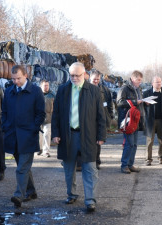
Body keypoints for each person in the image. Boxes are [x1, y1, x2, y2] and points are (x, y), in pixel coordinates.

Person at [52, 62, 106, 212]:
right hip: (68, 136)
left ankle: (90, 200)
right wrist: (55, 133)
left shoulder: (94, 91)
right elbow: (56, 114)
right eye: (72, 75)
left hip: (88, 136)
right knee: (69, 168)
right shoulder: (63, 90)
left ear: (84, 75)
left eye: (77, 75)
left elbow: (101, 116)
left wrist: (101, 135)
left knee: (90, 168)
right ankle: (71, 194)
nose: (74, 78)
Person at [2, 65, 45, 207]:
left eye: (18, 78)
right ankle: (31, 191)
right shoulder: (8, 91)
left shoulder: (36, 91)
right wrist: (5, 126)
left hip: (28, 136)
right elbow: (5, 112)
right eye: (13, 79)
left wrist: (34, 127)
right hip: (12, 136)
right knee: (24, 166)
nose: (15, 82)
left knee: (21, 168)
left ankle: (19, 195)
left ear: (26, 75)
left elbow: (41, 114)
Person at [117, 70, 145, 174]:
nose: (140, 82)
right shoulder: (124, 88)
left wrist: (144, 103)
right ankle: (124, 165)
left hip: (136, 119)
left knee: (134, 144)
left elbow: (139, 102)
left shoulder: (139, 89)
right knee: (129, 144)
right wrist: (134, 102)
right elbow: (119, 102)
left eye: (141, 80)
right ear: (133, 78)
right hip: (128, 120)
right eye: (138, 80)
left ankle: (130, 164)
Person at [143, 76, 162, 166]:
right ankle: (148, 159)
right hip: (150, 120)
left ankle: (161, 158)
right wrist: (145, 104)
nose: (159, 84)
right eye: (157, 82)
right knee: (149, 141)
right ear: (152, 83)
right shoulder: (146, 93)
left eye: (160, 82)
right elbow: (142, 107)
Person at [90, 69, 113, 170]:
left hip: (100, 119)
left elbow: (109, 104)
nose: (96, 81)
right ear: (90, 78)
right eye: (94, 79)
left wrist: (110, 116)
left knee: (98, 142)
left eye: (97, 79)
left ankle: (96, 161)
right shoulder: (85, 89)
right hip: (88, 119)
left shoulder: (105, 90)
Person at [38, 80, 55, 157]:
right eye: (45, 85)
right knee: (39, 135)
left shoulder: (52, 95)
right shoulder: (37, 94)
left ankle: (46, 151)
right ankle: (40, 149)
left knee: (47, 134)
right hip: (38, 118)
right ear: (41, 86)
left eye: (47, 85)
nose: (46, 87)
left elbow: (56, 106)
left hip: (48, 118)